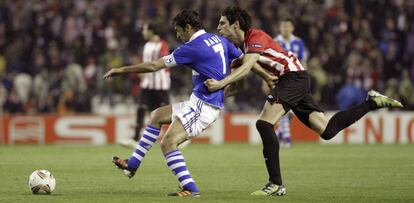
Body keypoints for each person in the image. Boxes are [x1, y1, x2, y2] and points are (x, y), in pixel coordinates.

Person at [205, 6, 403, 196]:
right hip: (292, 81)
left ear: (236, 24)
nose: (218, 27)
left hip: (293, 77)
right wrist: (211, 96)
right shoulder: (237, 49)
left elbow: (247, 68)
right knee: (327, 131)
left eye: (222, 23)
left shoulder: (255, 37)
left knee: (264, 124)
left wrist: (220, 83)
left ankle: (275, 183)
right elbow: (238, 85)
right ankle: (372, 102)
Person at [103, 9, 245, 197]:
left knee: (168, 143)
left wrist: (121, 70)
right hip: (199, 101)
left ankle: (190, 188)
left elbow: (154, 66)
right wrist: (234, 85)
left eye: (178, 30)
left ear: (188, 27)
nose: (177, 35)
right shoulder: (218, 39)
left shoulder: (192, 47)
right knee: (156, 115)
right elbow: (244, 59)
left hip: (204, 106)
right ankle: (133, 164)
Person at [119, 21, 171, 149]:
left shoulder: (163, 45)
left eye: (145, 29)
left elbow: (163, 62)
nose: (143, 32)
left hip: (160, 84)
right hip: (147, 84)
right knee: (141, 108)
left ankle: (181, 135)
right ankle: (135, 138)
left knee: (168, 113)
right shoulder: (147, 45)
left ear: (152, 31)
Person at [272, 18, 309, 147]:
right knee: (285, 109)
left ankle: (278, 134)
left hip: (297, 78)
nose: (286, 28)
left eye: (288, 26)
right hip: (282, 78)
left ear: (292, 28)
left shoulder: (299, 42)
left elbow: (303, 61)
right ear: (279, 28)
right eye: (283, 26)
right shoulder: (275, 42)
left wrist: (305, 77)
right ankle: (287, 138)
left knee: (291, 111)